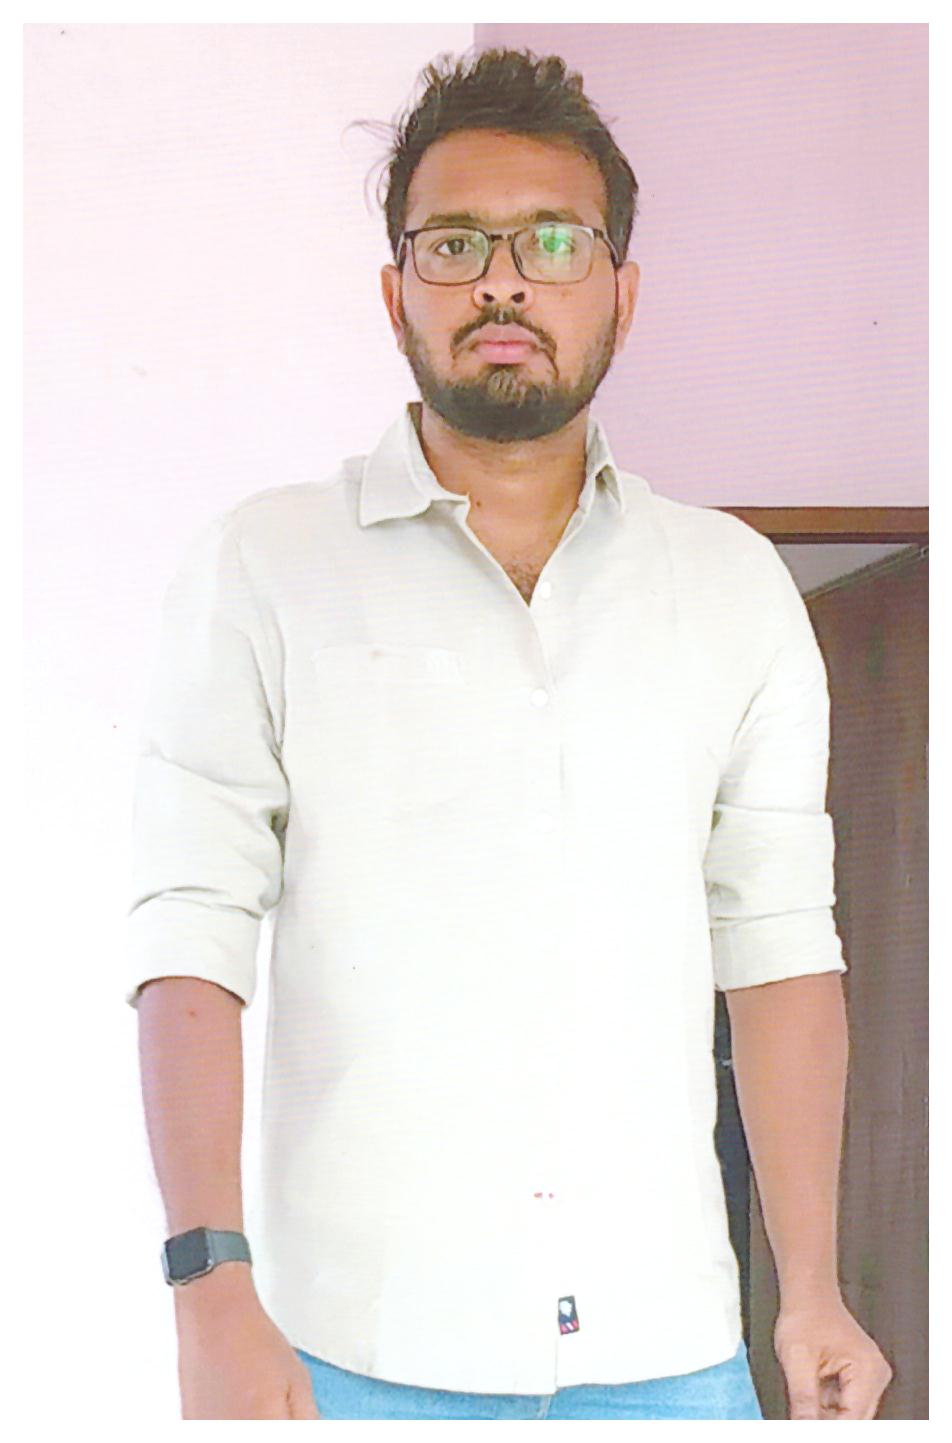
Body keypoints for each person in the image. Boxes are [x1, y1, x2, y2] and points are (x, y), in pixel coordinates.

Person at [128, 47, 894, 1420]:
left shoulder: (731, 589)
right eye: (454, 243)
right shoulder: (264, 567)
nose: (503, 281)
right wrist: (208, 1286)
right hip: (346, 1355)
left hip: (673, 1353)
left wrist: (814, 1292)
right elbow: (192, 931)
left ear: (622, 291)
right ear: (395, 292)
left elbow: (779, 950)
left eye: (552, 240)